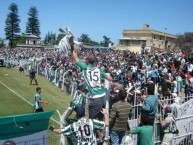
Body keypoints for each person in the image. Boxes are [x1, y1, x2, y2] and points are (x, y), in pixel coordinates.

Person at [70, 41, 112, 120]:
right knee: (100, 121)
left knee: (92, 122)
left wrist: (71, 46)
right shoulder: (99, 70)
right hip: (103, 97)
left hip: (95, 98)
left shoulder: (85, 68)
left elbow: (75, 58)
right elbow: (110, 79)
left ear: (87, 61)